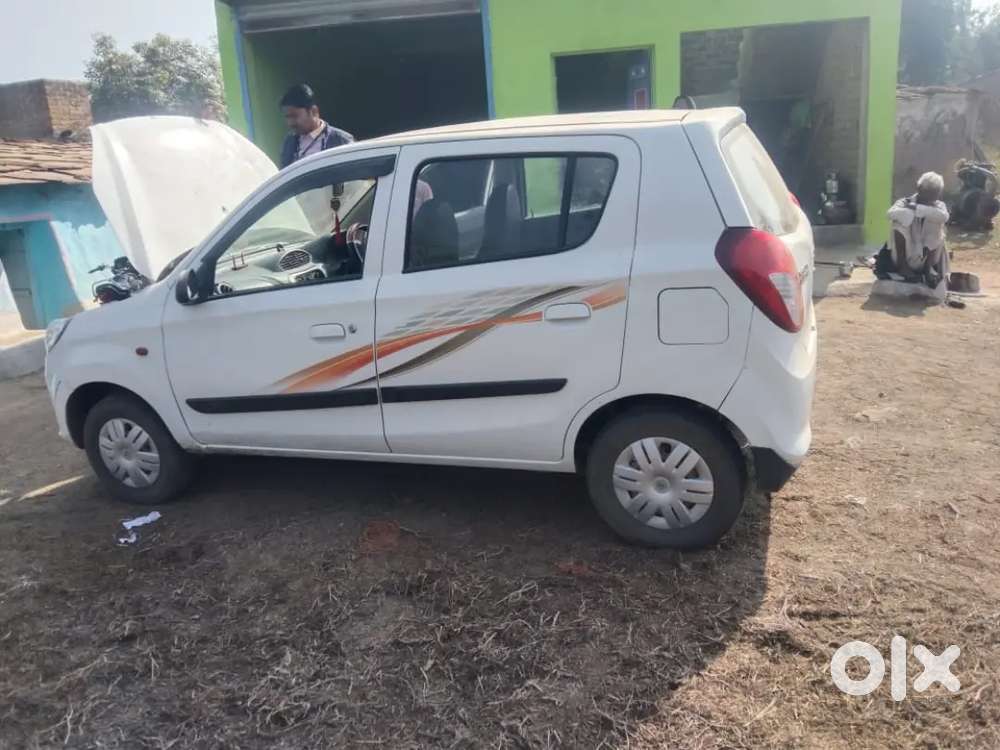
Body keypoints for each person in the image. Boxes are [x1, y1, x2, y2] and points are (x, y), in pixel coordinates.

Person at [886, 172, 950, 289]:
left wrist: (917, 208)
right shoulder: (905, 202)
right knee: (899, 223)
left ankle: (928, 269)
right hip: (905, 257)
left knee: (937, 222)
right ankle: (903, 267)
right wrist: (909, 212)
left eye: (934, 194)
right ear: (919, 189)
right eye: (928, 193)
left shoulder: (939, 205)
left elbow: (944, 217)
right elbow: (890, 214)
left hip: (927, 259)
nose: (931, 198)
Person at [279, 84, 354, 168]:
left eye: (295, 116)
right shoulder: (289, 142)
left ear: (314, 111)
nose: (290, 123)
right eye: (287, 117)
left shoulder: (341, 141)